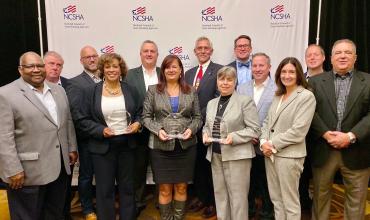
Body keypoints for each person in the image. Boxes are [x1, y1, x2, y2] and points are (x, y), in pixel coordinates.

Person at [0, 51, 78, 219]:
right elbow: (3, 136)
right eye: (30, 66)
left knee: (55, 214)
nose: (36, 70)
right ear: (20, 70)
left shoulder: (58, 91)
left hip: (59, 169)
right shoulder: (6, 94)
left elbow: (67, 121)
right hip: (27, 173)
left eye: (39, 65)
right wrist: (12, 169)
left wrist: (71, 147)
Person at [308, 39, 370, 220]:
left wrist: (351, 136)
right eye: (338, 53)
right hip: (323, 150)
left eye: (348, 53)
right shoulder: (315, 82)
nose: (343, 56)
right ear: (331, 58)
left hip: (357, 151)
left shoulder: (368, 81)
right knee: (320, 200)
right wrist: (326, 134)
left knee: (356, 203)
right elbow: (308, 112)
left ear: (355, 58)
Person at [76, 53, 142, 220]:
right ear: (102, 70)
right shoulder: (91, 91)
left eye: (115, 66)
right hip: (102, 148)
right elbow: (82, 119)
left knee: (127, 188)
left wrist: (137, 124)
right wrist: (100, 130)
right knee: (104, 190)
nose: (112, 70)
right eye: (108, 67)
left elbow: (140, 113)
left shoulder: (130, 90)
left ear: (121, 70)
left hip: (127, 146)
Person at [142, 55, 202, 220]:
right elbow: (145, 117)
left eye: (175, 67)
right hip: (160, 148)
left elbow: (198, 117)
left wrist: (191, 129)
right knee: (164, 189)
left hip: (186, 146)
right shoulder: (153, 90)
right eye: (168, 67)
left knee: (182, 188)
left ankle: (178, 217)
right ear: (163, 70)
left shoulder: (190, 90)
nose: (171, 70)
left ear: (181, 70)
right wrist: (158, 129)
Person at [260, 57, 316, 220]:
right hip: (270, 155)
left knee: (290, 203)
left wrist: (271, 143)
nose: (287, 75)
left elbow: (298, 131)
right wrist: (263, 142)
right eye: (283, 71)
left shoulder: (306, 96)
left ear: (298, 74)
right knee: (276, 200)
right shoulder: (278, 95)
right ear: (278, 74)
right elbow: (266, 122)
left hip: (289, 156)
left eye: (291, 71)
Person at [202, 66, 260, 220]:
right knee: (220, 196)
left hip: (238, 157)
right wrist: (205, 135)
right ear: (217, 82)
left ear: (235, 82)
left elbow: (254, 129)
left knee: (238, 199)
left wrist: (233, 137)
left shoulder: (245, 101)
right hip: (215, 155)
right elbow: (207, 126)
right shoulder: (211, 103)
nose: (225, 83)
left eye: (229, 79)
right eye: (222, 79)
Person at [184, 36, 222, 218]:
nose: (203, 50)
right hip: (191, 129)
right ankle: (201, 197)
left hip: (209, 127)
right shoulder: (189, 73)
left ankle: (214, 203)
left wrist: (197, 118)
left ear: (211, 51)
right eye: (199, 48)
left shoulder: (219, 70)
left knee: (210, 167)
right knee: (197, 165)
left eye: (206, 48)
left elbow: (218, 97)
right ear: (195, 51)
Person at [238, 52, 275, 219]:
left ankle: (267, 212)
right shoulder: (242, 87)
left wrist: (260, 137)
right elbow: (237, 114)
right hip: (246, 144)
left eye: (262, 65)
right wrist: (248, 135)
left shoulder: (278, 89)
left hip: (267, 144)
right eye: (255, 65)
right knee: (248, 181)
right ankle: (250, 210)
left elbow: (275, 118)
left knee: (267, 182)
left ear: (269, 67)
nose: (258, 69)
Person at [65, 45, 100, 220]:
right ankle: (87, 209)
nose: (92, 59)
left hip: (108, 139)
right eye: (88, 57)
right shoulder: (74, 83)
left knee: (103, 175)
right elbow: (76, 114)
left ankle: (102, 204)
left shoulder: (106, 79)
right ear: (81, 61)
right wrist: (96, 131)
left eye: (94, 56)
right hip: (88, 139)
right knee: (86, 175)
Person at [126, 40, 160, 214]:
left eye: (152, 51)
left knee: (160, 169)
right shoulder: (129, 75)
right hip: (138, 131)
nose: (149, 54)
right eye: (145, 51)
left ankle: (163, 202)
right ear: (140, 54)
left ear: (157, 55)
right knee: (137, 169)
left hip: (161, 131)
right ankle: (137, 203)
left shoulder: (165, 73)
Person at [44, 50, 75, 219]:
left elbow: (69, 121)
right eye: (51, 64)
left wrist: (72, 148)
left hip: (65, 151)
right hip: (42, 152)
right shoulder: (30, 90)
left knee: (63, 192)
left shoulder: (69, 87)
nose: (55, 68)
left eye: (59, 65)